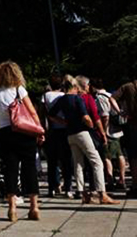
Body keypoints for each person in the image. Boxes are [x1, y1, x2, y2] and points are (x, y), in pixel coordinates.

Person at [50, 75, 118, 206]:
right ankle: (102, 193)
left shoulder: (62, 100)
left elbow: (51, 114)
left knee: (78, 164)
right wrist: (91, 125)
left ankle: (82, 193)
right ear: (75, 86)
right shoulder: (77, 98)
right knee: (97, 162)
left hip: (70, 134)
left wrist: (64, 122)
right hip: (82, 132)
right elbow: (85, 116)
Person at [0, 61, 42, 222]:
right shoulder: (19, 90)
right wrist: (39, 129)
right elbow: (32, 112)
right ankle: (34, 207)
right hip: (24, 132)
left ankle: (12, 208)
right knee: (29, 168)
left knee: (10, 169)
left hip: (4, 133)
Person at [43, 72, 73, 198]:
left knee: (52, 161)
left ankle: (53, 187)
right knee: (66, 160)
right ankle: (68, 187)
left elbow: (43, 113)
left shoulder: (45, 96)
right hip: (65, 130)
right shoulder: (65, 96)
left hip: (51, 131)